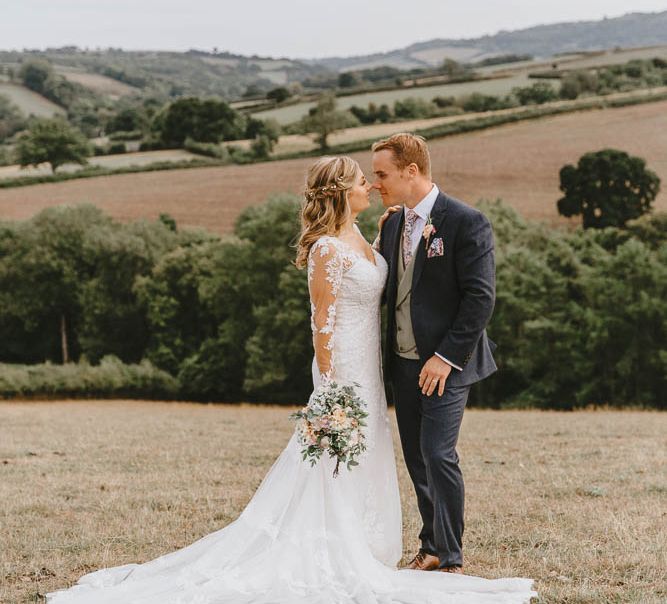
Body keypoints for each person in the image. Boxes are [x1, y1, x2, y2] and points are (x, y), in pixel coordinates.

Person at [46, 156, 535, 603]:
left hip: (373, 367)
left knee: (378, 457)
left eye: (376, 176)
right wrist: (329, 391)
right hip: (344, 373)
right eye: (364, 181)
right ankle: (335, 549)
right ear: (342, 191)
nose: (371, 185)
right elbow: (321, 324)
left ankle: (379, 545)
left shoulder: (374, 235)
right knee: (336, 462)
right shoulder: (326, 250)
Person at [372, 132, 498, 574]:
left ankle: (450, 555)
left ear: (412, 171)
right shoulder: (391, 224)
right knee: (416, 455)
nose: (374, 184)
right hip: (404, 362)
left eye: (382, 174)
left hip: (447, 363)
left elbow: (480, 298)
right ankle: (431, 547)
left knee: (438, 453)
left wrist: (445, 357)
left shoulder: (466, 221)